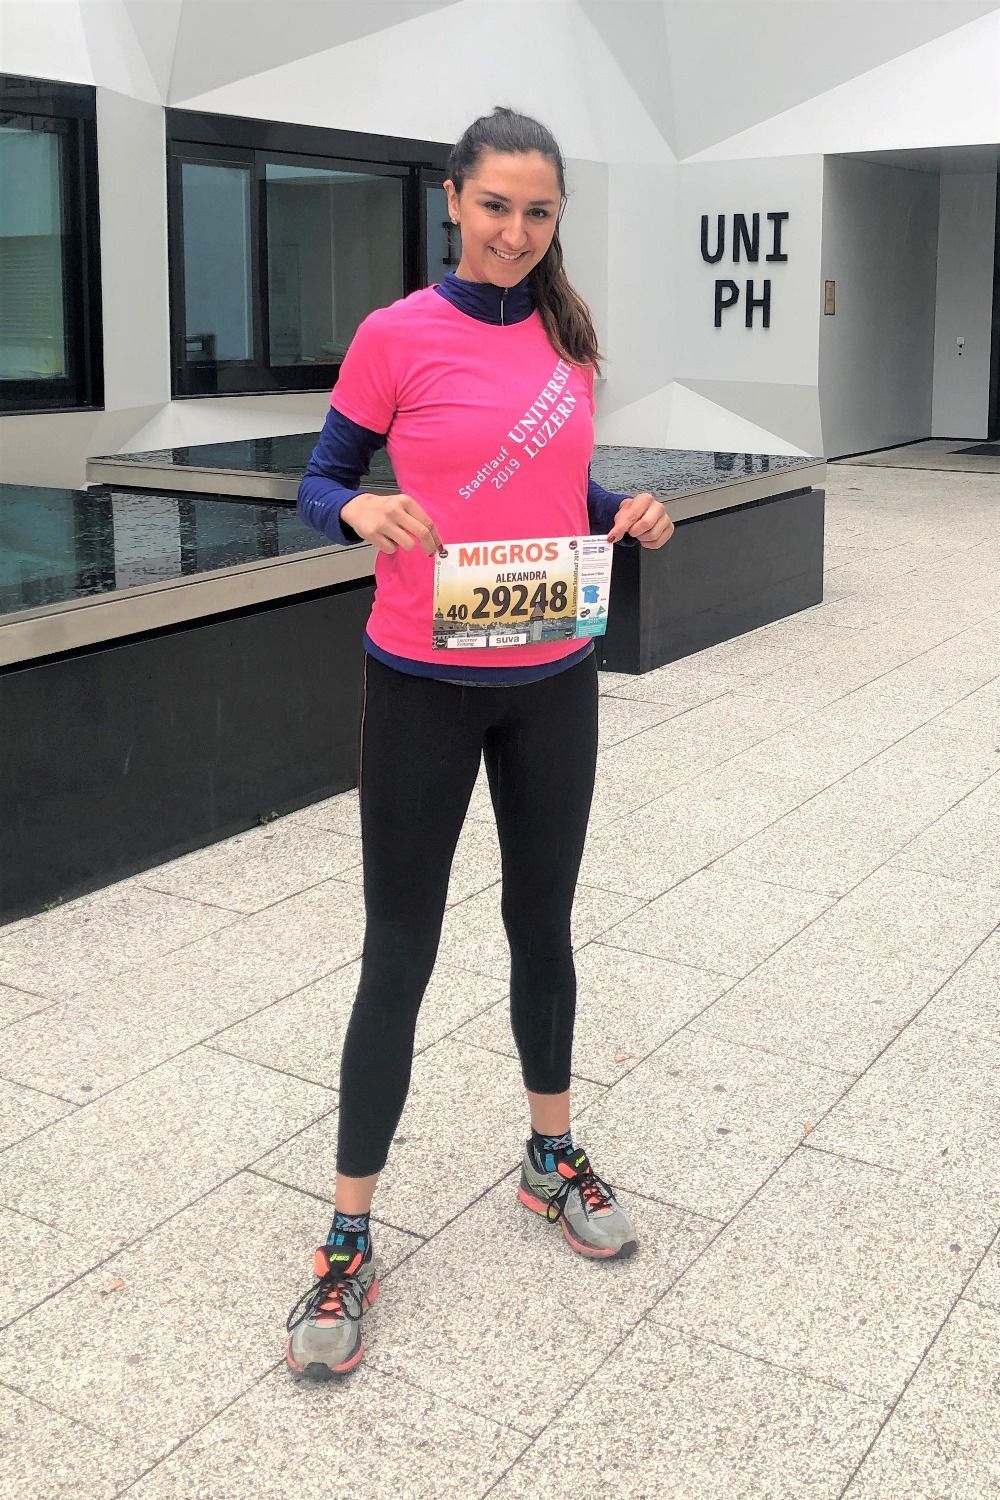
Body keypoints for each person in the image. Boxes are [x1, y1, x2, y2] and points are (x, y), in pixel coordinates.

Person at [287, 105, 674, 1379]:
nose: (514, 231)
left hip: (553, 679)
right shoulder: (395, 334)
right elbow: (318, 481)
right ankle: (348, 1234)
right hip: (420, 684)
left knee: (542, 924)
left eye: (538, 211)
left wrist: (627, 510)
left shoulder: (570, 338)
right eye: (495, 205)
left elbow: (564, 490)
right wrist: (359, 512)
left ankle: (548, 1157)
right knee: (398, 950)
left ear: (558, 218)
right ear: (453, 198)